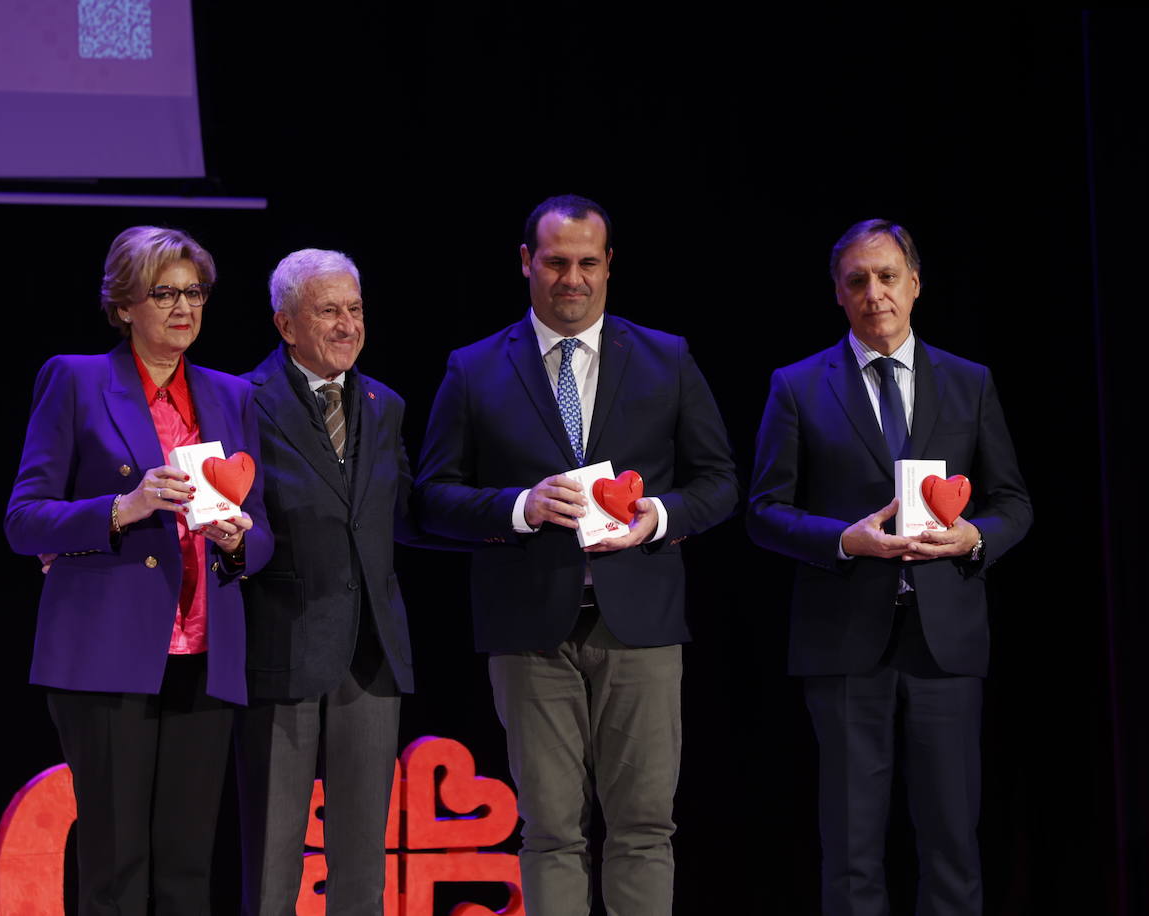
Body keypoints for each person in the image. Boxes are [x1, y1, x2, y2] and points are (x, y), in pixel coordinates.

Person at [413, 194, 739, 916]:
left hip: (642, 624)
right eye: (556, 261)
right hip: (529, 627)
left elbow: (720, 483)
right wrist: (518, 508)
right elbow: (431, 495)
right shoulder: (472, 368)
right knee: (551, 830)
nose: (572, 278)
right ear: (526, 261)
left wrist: (657, 516)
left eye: (588, 262)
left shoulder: (666, 357)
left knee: (645, 826)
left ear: (609, 266)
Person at [747, 219, 1033, 915]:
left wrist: (972, 537)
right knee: (850, 847)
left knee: (952, 841)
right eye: (857, 281)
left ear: (915, 285)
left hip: (946, 640)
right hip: (845, 639)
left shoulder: (969, 383)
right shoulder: (797, 386)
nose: (873, 293)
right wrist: (845, 541)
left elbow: (1014, 503)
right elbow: (763, 510)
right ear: (839, 296)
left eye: (886, 277)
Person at [5, 225, 269, 915]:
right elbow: (24, 519)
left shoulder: (232, 394)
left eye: (195, 293)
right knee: (116, 868)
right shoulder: (76, 380)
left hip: (206, 656)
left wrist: (240, 540)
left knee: (187, 868)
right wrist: (124, 506)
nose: (184, 308)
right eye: (164, 294)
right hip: (107, 656)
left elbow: (263, 532)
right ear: (124, 305)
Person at [234, 249, 429, 916]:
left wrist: (508, 516)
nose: (347, 325)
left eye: (355, 310)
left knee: (362, 861)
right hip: (281, 647)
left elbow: (407, 512)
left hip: (371, 654)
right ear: (286, 325)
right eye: (328, 311)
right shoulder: (241, 402)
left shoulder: (385, 404)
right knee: (272, 858)